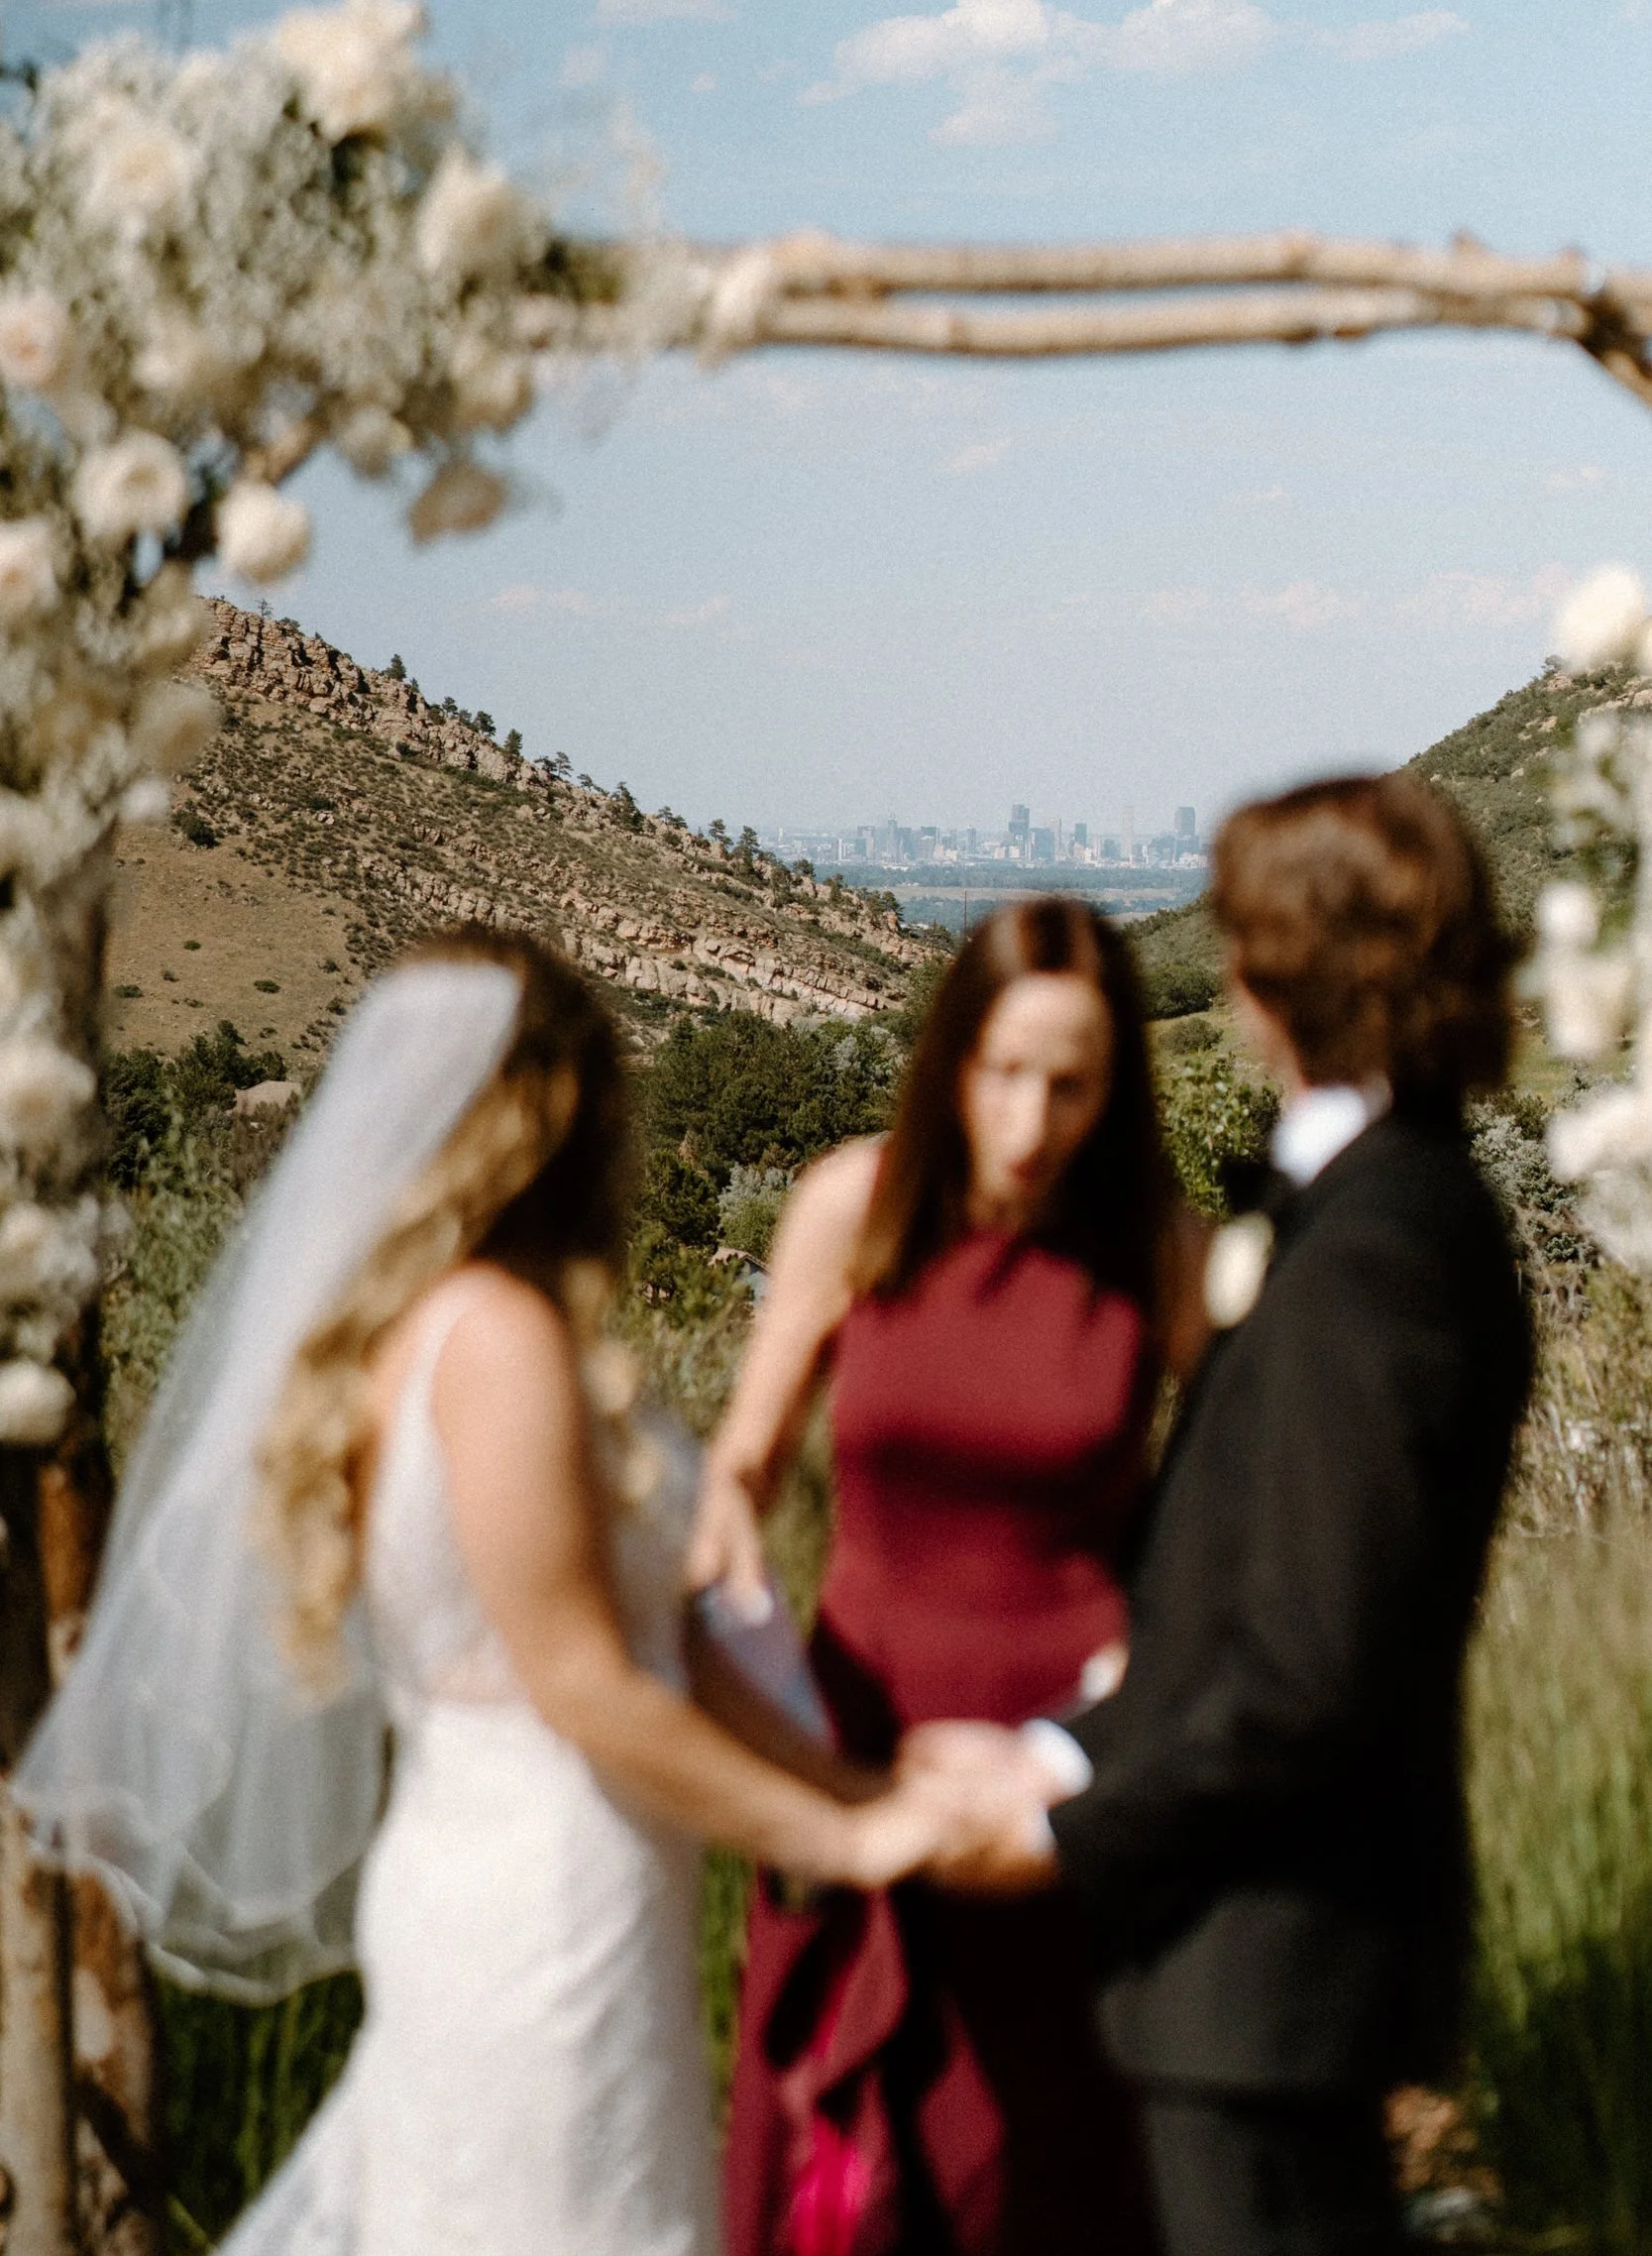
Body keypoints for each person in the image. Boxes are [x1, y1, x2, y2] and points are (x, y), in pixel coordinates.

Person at [17, 927, 973, 2256]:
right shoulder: (498, 1341)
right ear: (558, 1117)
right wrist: (837, 1842)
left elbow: (659, 1644)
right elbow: (582, 1679)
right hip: (547, 1901)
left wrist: (860, 1787)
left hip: (514, 1875)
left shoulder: (415, 1335)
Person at [913, 775, 1531, 2256]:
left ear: (1260, 981)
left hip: (1265, 1972)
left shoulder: (1378, 1249)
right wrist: (1050, 1748)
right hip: (1246, 1976)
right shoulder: (1390, 1209)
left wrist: (1065, 1831)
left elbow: (1304, 1672)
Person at [688, 896, 1206, 2256]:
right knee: (847, 2171)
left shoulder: (1158, 1243)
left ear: (1118, 1083)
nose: (1031, 1123)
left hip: (1059, 1783)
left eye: (1072, 1082)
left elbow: (1231, 1521)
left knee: (1045, 2173)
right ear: (948, 1060)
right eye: (1000, 1074)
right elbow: (744, 1455)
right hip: (861, 1747)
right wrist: (722, 1527)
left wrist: (1132, 1704)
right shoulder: (849, 1206)